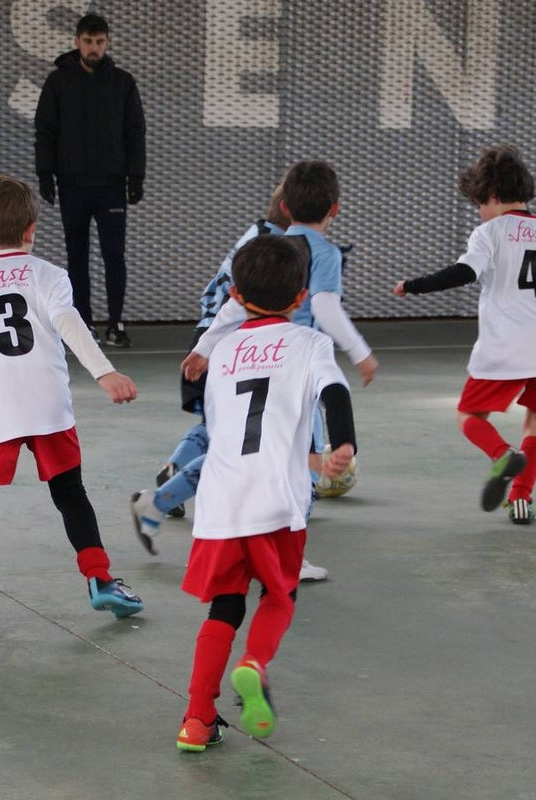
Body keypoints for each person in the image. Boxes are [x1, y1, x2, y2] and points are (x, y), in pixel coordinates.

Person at [135, 161, 378, 578]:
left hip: (246, 357)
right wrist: (359, 352)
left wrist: (206, 347)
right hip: (290, 367)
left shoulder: (270, 246)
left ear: (284, 206)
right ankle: (287, 559)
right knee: (300, 458)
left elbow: (234, 301)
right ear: (335, 208)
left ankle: (156, 502)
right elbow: (323, 306)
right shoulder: (324, 254)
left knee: (230, 448)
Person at [0, 175, 142, 637]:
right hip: (47, 407)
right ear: (31, 229)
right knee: (71, 495)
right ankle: (101, 580)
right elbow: (69, 322)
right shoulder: (49, 275)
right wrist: (105, 372)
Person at [173, 234, 357, 752]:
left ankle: (196, 720)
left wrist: (206, 343)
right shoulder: (310, 343)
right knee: (280, 594)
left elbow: (241, 433)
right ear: (301, 298)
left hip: (220, 503)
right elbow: (334, 392)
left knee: (224, 607)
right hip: (276, 500)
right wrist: (341, 444)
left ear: (235, 291)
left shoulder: (222, 351)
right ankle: (254, 663)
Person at [393, 144, 536, 524]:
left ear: (494, 197)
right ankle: (521, 498)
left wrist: (411, 286)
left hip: (506, 343)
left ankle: (502, 455)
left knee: (468, 415)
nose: (479, 211)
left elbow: (465, 272)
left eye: (480, 202)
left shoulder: (490, 232)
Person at [35, 13, 146, 348]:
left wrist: (135, 176)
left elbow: (135, 133)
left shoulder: (123, 83)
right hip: (72, 184)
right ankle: (83, 323)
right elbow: (45, 131)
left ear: (107, 42)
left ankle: (116, 323)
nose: (93, 48)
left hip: (111, 184)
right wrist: (45, 174)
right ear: (76, 42)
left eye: (99, 42)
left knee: (114, 255)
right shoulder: (58, 82)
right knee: (76, 256)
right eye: (87, 41)